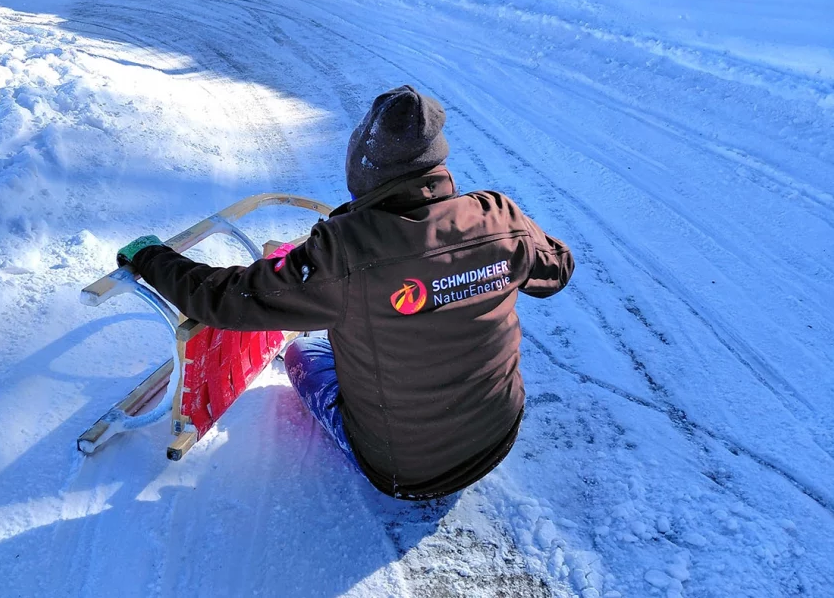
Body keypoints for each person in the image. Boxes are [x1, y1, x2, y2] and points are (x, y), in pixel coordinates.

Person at [117, 85, 575, 500]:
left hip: (405, 471)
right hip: (499, 435)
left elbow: (222, 300)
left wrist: (153, 257)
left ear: (363, 163)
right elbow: (557, 269)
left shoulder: (343, 254)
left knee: (302, 348)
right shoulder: (499, 216)